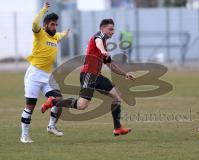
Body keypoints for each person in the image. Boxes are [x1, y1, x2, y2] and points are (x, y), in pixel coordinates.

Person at [41, 19, 135, 136]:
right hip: (88, 75)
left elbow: (111, 65)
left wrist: (125, 73)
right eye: (110, 29)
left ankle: (118, 128)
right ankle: (53, 101)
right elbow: (98, 43)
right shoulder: (98, 36)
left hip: (97, 76)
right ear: (103, 29)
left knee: (116, 96)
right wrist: (102, 50)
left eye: (113, 29)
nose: (113, 32)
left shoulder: (104, 42)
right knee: (81, 106)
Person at [20, 2, 70, 143]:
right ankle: (24, 136)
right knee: (30, 106)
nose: (55, 27)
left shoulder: (54, 37)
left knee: (59, 100)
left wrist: (65, 33)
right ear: (46, 25)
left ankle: (51, 126)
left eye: (56, 25)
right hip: (34, 75)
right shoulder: (39, 33)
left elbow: (61, 35)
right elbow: (35, 22)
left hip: (47, 76)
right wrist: (43, 10)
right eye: (52, 24)